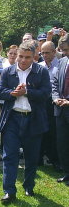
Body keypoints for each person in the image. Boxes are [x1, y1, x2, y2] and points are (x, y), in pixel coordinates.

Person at [0, 41, 51, 204]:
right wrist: (13, 93)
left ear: (34, 57)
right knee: (10, 156)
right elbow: (0, 92)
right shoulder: (8, 71)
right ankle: (9, 191)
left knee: (32, 157)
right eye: (20, 56)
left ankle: (29, 185)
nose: (23, 60)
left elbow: (46, 93)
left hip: (33, 119)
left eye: (27, 57)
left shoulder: (41, 71)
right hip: (12, 118)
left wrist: (27, 92)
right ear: (16, 55)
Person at [38, 41, 59, 169]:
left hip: (55, 102)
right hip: (41, 103)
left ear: (54, 52)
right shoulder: (39, 66)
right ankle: (40, 157)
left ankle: (54, 159)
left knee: (54, 132)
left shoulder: (61, 66)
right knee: (41, 130)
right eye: (42, 53)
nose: (44, 55)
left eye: (47, 52)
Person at [52, 33, 69, 186]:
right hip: (60, 110)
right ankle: (67, 172)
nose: (64, 52)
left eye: (66, 49)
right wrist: (56, 97)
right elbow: (55, 82)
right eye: (62, 49)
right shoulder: (62, 61)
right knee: (62, 143)